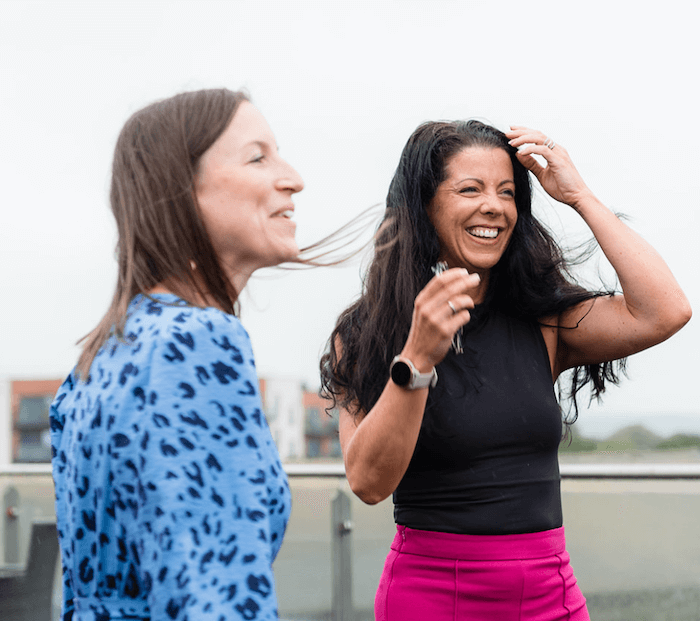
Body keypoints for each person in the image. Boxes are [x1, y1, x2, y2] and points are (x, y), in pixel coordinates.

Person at [320, 120, 692, 620]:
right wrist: (418, 358)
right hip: (433, 596)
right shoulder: (365, 333)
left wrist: (578, 195)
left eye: (507, 192)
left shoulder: (542, 321)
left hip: (549, 592)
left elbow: (664, 311)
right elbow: (367, 482)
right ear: (424, 206)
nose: (493, 206)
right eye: (469, 189)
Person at [50, 88, 305, 621]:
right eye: (258, 156)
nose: (293, 178)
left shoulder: (102, 352)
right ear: (182, 191)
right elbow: (218, 595)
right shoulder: (198, 341)